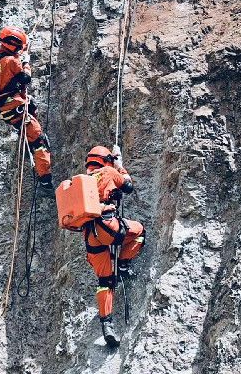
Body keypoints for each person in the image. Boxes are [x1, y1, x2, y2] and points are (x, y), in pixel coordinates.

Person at [82, 145, 145, 347]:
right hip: (108, 227)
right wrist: (119, 166)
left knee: (105, 281)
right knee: (140, 232)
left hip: (90, 236)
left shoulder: (82, 182)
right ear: (106, 160)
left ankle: (107, 325)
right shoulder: (108, 172)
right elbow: (128, 186)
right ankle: (123, 265)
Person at [0, 26, 53, 192]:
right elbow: (25, 78)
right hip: (13, 107)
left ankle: (27, 141)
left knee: (31, 108)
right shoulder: (12, 61)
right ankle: (45, 181)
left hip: (2, 108)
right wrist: (26, 62)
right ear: (15, 45)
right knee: (39, 141)